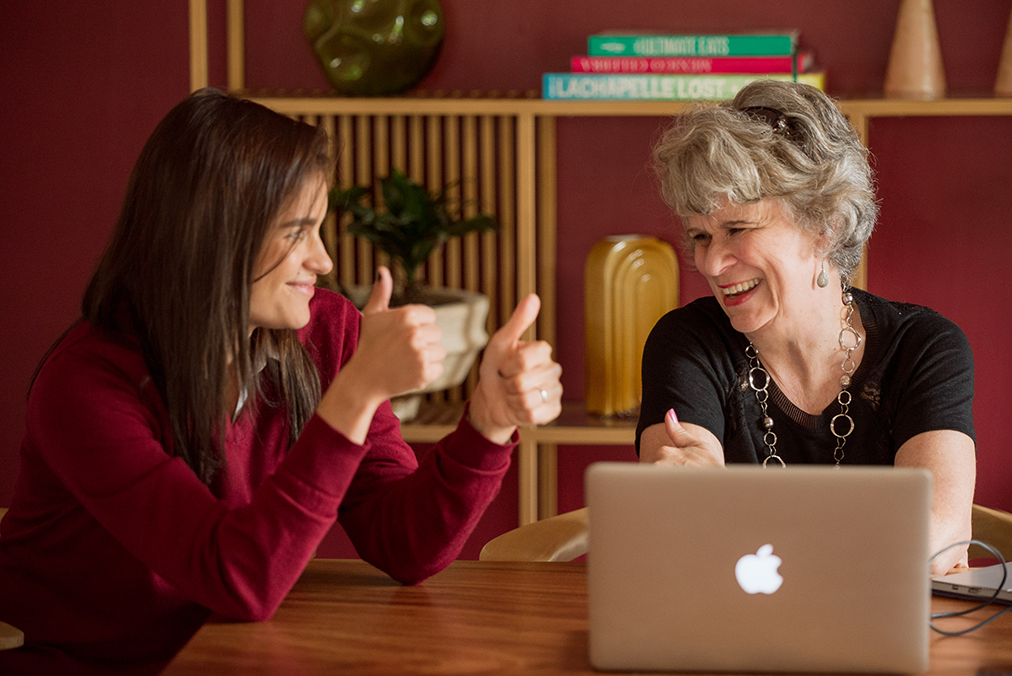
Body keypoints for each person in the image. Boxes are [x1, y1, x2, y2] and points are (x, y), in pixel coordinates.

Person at [0, 89, 562, 675]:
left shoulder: (327, 331)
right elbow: (236, 576)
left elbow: (406, 545)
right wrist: (355, 393)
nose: (322, 260)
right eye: (297, 233)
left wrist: (488, 422)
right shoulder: (85, 387)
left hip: (224, 655)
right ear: (215, 237)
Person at [638, 80, 975, 576]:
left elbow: (937, 540)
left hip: (884, 642)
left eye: (737, 229)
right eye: (700, 236)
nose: (710, 261)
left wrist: (732, 505)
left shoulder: (924, 348)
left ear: (827, 225)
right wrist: (875, 536)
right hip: (730, 639)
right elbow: (681, 522)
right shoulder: (688, 344)